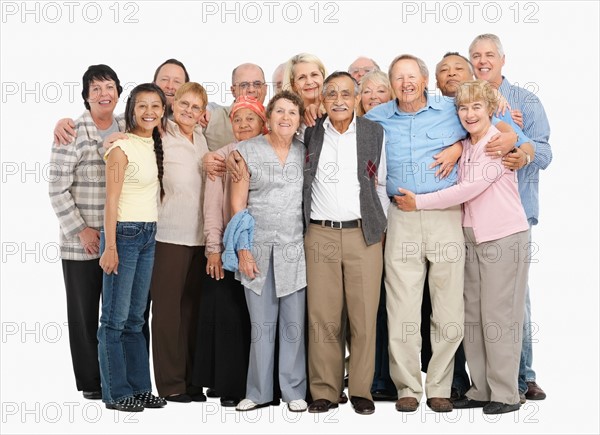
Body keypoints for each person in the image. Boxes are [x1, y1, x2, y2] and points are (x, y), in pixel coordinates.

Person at [395, 79, 530, 414]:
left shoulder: (495, 144)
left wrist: (420, 203)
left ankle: (506, 393)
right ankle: (481, 388)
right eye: (463, 107)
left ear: (489, 109)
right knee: (473, 315)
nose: (469, 113)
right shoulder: (467, 144)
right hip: (470, 236)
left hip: (502, 237)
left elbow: (466, 190)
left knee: (499, 316)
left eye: (476, 106)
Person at [365, 54, 467, 414]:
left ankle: (439, 385)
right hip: (402, 215)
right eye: (398, 78)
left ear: (425, 80)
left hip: (444, 214)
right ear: (391, 84)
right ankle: (408, 386)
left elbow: (492, 125)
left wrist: (459, 146)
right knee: (402, 307)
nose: (406, 83)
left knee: (449, 306)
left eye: (412, 77)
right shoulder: (376, 117)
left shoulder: (451, 110)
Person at [469, 34, 552, 402]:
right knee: (481, 303)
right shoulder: (469, 102)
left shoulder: (526, 101)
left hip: (515, 214)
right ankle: (488, 382)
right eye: (476, 56)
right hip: (474, 217)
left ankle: (523, 377)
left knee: (517, 301)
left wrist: (524, 152)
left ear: (503, 59)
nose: (482, 61)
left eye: (489, 55)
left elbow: (546, 150)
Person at [303, 72, 388, 416]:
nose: (339, 99)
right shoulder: (310, 134)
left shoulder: (373, 133)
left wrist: (380, 230)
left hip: (363, 234)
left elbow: (380, 183)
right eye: (331, 94)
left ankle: (362, 390)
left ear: (356, 99)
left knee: (364, 316)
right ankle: (325, 389)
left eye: (346, 94)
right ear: (323, 101)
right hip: (319, 233)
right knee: (323, 316)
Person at [227, 91, 307, 413]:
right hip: (257, 246)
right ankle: (258, 392)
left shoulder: (305, 152)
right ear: (268, 118)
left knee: (294, 324)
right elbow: (237, 205)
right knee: (261, 325)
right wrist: (243, 249)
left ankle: (293, 391)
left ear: (299, 120)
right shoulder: (246, 151)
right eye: (279, 112)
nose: (285, 118)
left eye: (292, 113)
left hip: (294, 248)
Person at [48, 64, 125, 401]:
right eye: (95, 89)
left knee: (119, 312)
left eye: (109, 87)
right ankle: (91, 382)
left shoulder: (126, 127)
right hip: (81, 243)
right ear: (86, 97)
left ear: (119, 93)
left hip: (120, 239)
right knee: (84, 314)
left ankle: (118, 377)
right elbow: (56, 189)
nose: (103, 94)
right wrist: (81, 231)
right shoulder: (72, 131)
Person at [193, 95, 268, 407]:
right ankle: (229, 384)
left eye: (250, 118)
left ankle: (265, 385)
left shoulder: (273, 153)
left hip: (266, 247)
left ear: (263, 123)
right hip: (228, 248)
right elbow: (211, 207)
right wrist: (213, 248)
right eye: (237, 120)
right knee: (228, 315)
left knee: (261, 319)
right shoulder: (222, 157)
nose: (243, 125)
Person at [97, 83, 168, 412]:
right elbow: (110, 200)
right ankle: (116, 392)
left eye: (156, 106)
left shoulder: (152, 143)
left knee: (137, 319)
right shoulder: (120, 147)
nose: (149, 111)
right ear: (132, 110)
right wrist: (109, 246)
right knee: (114, 318)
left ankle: (140, 388)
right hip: (123, 237)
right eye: (142, 106)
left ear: (162, 110)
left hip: (148, 236)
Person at [143, 82, 210, 403]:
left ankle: (191, 380)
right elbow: (128, 124)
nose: (189, 111)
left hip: (199, 239)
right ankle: (171, 384)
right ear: (173, 104)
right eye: (184, 104)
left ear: (202, 113)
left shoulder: (201, 139)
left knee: (192, 312)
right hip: (168, 236)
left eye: (196, 107)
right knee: (168, 313)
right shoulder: (159, 133)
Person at [355, 71, 397, 402]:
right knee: (368, 303)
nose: (373, 95)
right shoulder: (351, 129)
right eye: (366, 91)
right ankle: (368, 375)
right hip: (364, 226)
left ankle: (386, 375)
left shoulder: (392, 126)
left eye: (381, 90)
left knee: (391, 301)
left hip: (395, 219)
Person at [52, 59, 192, 145]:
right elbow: (104, 124)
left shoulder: (198, 119)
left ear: (186, 87)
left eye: (177, 81)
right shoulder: (132, 121)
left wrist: (207, 110)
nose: (170, 86)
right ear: (154, 84)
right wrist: (65, 124)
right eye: (164, 79)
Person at [203, 63, 268, 151]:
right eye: (244, 85)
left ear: (265, 88)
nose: (251, 90)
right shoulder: (211, 118)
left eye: (257, 84)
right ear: (233, 91)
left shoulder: (278, 119)